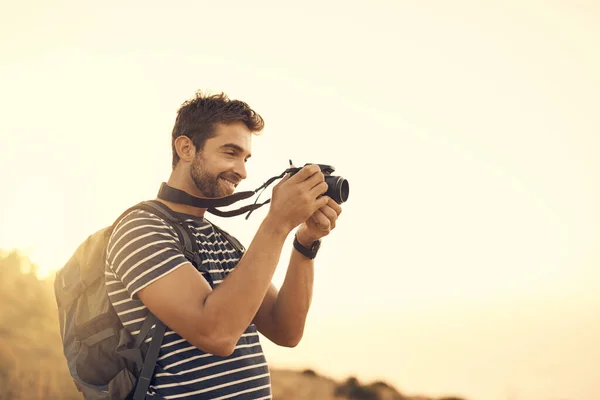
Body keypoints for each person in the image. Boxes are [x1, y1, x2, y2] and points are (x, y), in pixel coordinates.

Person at [105, 91, 343, 399]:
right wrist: (277, 222)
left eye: (245, 159)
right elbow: (215, 334)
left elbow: (286, 330)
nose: (242, 172)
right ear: (186, 148)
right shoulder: (141, 229)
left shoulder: (223, 242)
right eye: (230, 153)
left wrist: (305, 242)